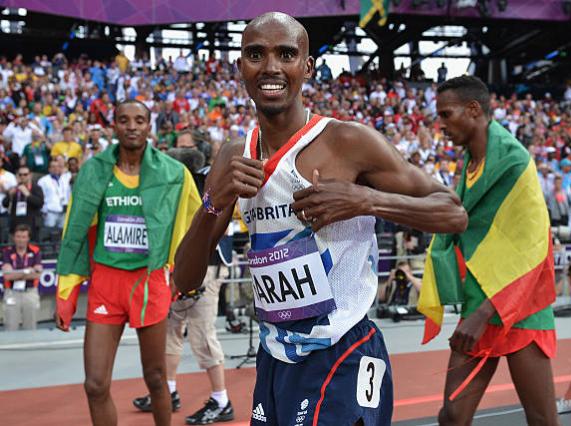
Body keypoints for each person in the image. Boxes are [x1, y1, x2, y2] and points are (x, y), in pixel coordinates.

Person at [174, 12, 467, 426]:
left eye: (286, 54)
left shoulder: (348, 142)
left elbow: (453, 211)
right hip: (276, 357)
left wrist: (365, 200)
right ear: (240, 65)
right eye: (256, 54)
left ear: (307, 67)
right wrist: (213, 204)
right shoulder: (231, 156)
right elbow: (183, 281)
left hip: (342, 351)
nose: (271, 67)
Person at [418, 76, 559, 425]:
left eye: (447, 115)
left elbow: (533, 248)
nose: (442, 125)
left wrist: (480, 314)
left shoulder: (514, 161)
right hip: (479, 299)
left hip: (520, 308)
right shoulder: (469, 165)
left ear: (473, 109)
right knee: (452, 416)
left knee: (542, 420)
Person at [54, 99, 201, 426]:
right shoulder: (93, 171)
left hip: (148, 281)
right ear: (114, 126)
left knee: (155, 377)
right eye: (124, 120)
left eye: (139, 120)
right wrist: (66, 290)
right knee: (94, 384)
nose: (131, 126)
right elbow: (74, 229)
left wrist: (181, 276)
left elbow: (195, 225)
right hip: (106, 283)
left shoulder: (173, 173)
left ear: (149, 126)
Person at [133, 144, 235, 425]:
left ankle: (221, 399)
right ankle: (168, 390)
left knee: (202, 334)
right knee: (172, 331)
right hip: (181, 267)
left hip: (208, 266)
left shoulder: (202, 182)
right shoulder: (179, 185)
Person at [2, 224, 43, 331]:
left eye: (24, 237)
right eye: (18, 237)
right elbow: (7, 276)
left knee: (30, 326)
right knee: (10, 326)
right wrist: (27, 271)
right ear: (14, 238)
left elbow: (37, 274)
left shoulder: (35, 251)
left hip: (30, 292)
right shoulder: (7, 251)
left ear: (28, 238)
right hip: (12, 293)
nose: (21, 240)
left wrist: (16, 273)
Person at [2, 165, 44, 238]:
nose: (22, 176)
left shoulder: (36, 188)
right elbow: (4, 204)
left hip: (31, 223)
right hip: (16, 223)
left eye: (25, 174)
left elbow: (39, 203)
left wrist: (28, 194)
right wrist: (10, 195)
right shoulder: (14, 188)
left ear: (30, 175)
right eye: (20, 174)